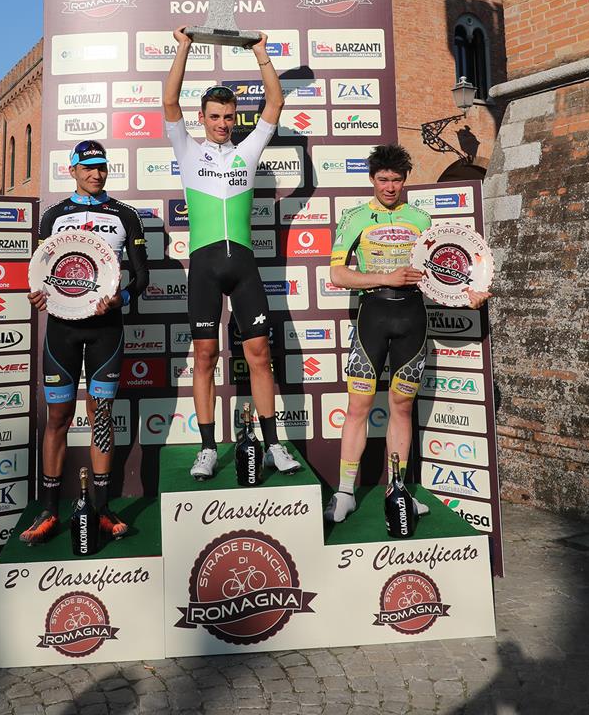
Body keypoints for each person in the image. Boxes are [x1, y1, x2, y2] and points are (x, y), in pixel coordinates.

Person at [324, 144, 491, 523]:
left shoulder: (420, 217)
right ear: (372, 179)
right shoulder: (354, 217)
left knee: (401, 408)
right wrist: (386, 277)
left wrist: (468, 295)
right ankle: (346, 492)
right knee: (358, 408)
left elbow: (439, 271)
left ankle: (397, 489)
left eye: (396, 180)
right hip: (373, 317)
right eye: (383, 179)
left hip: (412, 318)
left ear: (405, 180)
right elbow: (337, 274)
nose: (389, 186)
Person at [163, 27, 300, 480]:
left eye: (228, 116)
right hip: (203, 266)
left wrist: (261, 54)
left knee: (259, 353)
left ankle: (272, 444)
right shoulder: (187, 150)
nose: (223, 123)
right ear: (202, 118)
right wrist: (184, 46)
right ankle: (207, 446)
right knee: (204, 356)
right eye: (215, 116)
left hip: (242, 265)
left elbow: (275, 104)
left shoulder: (248, 150)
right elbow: (168, 104)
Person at [21, 140, 149, 545]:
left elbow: (142, 278)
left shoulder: (125, 215)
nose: (96, 173)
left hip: (106, 329)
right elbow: (41, 272)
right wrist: (38, 295)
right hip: (61, 329)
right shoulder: (54, 217)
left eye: (102, 167)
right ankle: (49, 511)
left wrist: (123, 297)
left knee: (102, 418)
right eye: (88, 167)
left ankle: (102, 509)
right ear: (72, 170)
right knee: (56, 419)